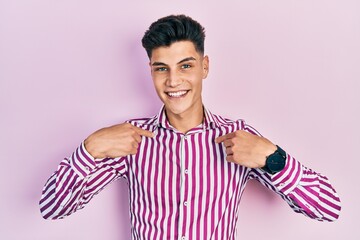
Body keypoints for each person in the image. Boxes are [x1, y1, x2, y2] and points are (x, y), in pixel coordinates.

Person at [39, 15, 341, 239]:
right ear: (151, 71)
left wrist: (273, 158)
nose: (173, 81)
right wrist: (89, 149)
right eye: (162, 69)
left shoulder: (237, 138)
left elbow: (328, 208)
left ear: (204, 67)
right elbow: (52, 208)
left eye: (185, 66)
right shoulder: (131, 140)